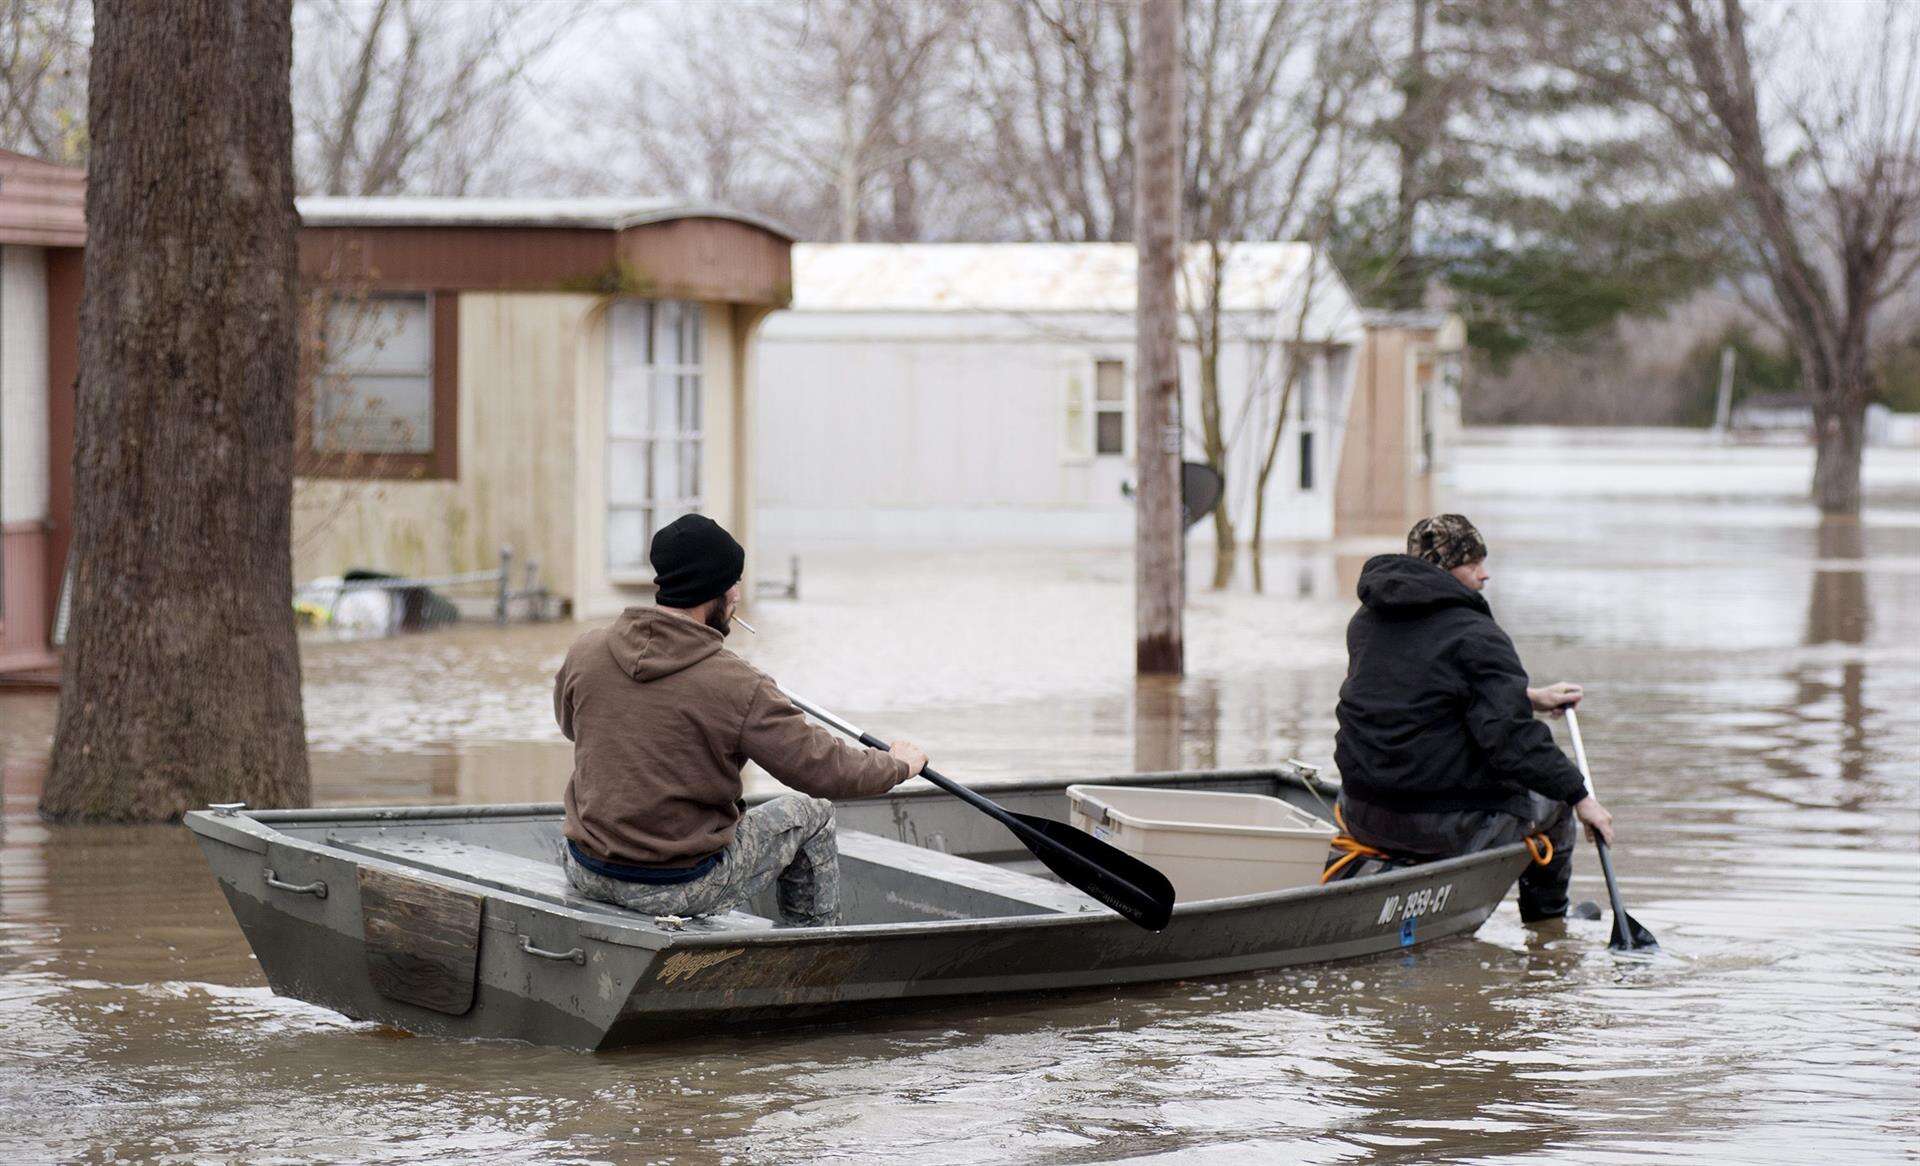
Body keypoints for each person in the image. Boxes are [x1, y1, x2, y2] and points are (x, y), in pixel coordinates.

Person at [553, 514, 927, 927]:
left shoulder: (585, 650)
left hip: (585, 869)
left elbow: (572, 727)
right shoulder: (739, 684)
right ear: (716, 591)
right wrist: (896, 765)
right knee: (813, 813)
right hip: (679, 885)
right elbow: (824, 771)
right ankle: (815, 949)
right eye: (734, 583)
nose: (737, 594)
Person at [1327, 514, 1614, 922]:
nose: (1484, 574)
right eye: (1472, 563)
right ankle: (1548, 925)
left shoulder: (1366, 623)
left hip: (1361, 811)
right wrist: (1582, 798)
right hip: (1437, 823)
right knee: (1553, 803)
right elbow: (1511, 740)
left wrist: (1528, 698)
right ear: (1442, 569)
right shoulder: (1477, 635)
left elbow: (1415, 695)